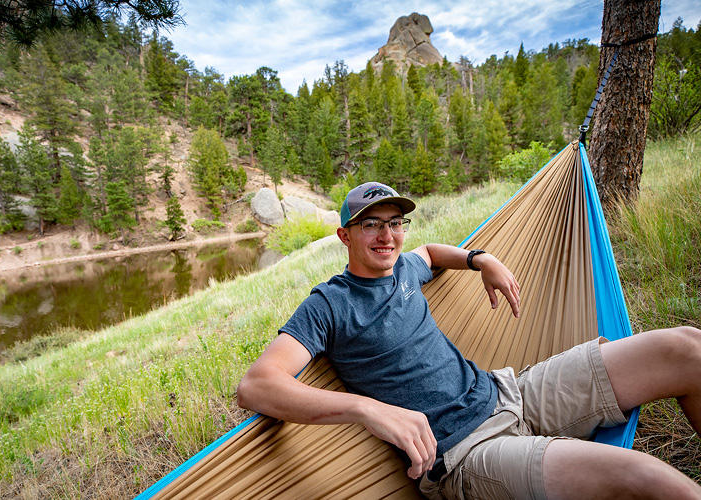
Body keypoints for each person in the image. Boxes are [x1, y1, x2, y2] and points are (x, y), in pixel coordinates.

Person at [237, 182, 701, 500]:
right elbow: (257, 385)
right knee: (641, 476)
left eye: (395, 221)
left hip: (509, 392)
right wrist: (366, 409)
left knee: (686, 347)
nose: (387, 235)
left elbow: (432, 252)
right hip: (465, 455)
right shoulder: (329, 305)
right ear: (345, 236)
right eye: (371, 224)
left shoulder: (404, 267)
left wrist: (482, 259)